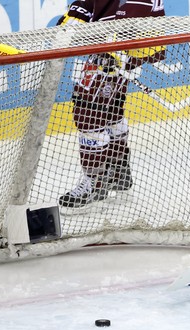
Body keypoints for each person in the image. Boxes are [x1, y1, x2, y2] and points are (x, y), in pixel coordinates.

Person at [56, 0, 166, 208]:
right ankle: (117, 169)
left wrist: (117, 49)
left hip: (119, 51)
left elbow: (136, 14)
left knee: (88, 111)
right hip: (113, 47)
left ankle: (95, 181)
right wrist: (78, 13)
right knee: (111, 109)